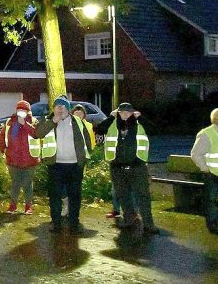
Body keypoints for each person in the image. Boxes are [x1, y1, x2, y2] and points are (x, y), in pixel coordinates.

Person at [96, 103, 158, 235]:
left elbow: (154, 130)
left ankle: (148, 224)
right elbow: (99, 130)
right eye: (122, 112)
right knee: (123, 195)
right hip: (117, 167)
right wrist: (110, 118)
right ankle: (129, 219)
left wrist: (140, 118)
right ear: (117, 113)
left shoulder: (139, 124)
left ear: (133, 113)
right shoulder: (112, 124)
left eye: (128, 112)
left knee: (143, 196)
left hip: (138, 167)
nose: (125, 114)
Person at [35, 95, 93, 234]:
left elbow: (87, 140)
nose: (60, 108)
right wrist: (54, 120)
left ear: (68, 109)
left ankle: (74, 223)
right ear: (53, 109)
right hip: (56, 166)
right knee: (55, 196)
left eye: (63, 106)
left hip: (75, 166)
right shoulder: (49, 121)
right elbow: (37, 133)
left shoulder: (77, 121)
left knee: (75, 196)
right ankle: (56, 223)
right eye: (57, 106)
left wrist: (83, 159)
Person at [0, 100, 40, 214]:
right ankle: (13, 205)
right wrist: (4, 149)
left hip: (30, 159)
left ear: (28, 111)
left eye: (23, 110)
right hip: (13, 159)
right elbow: (2, 136)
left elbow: (36, 134)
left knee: (27, 184)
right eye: (19, 109)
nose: (21, 112)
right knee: (15, 183)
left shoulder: (34, 121)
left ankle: (28, 206)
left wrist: (24, 124)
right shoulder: (10, 122)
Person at [191, 108, 218, 235]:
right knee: (211, 200)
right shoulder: (206, 133)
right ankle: (213, 224)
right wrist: (205, 169)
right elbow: (195, 154)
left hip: (212, 173)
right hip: (212, 174)